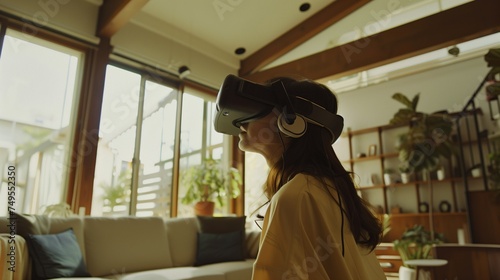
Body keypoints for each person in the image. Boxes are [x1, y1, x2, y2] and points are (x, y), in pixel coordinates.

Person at [236, 77, 386, 279]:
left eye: (258, 107)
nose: (242, 120)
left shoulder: (295, 196)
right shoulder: (330, 188)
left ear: (291, 122)